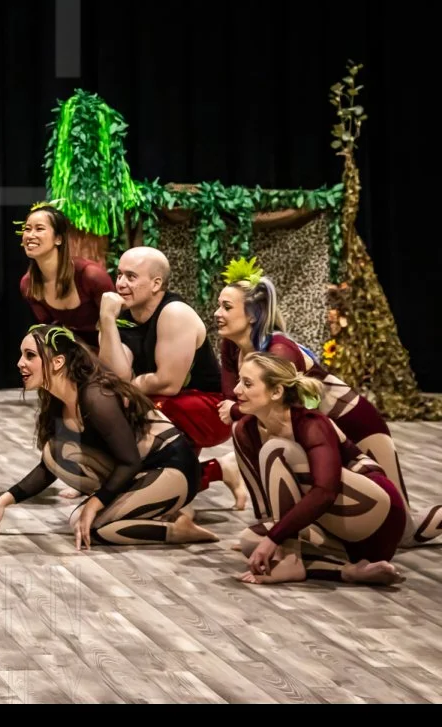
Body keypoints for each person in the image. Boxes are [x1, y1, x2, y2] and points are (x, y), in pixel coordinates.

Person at [213, 257, 437, 545]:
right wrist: (235, 409)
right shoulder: (232, 346)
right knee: (244, 430)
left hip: (355, 424)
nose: (217, 313)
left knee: (404, 531)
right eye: (219, 305)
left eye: (226, 307)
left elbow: (247, 406)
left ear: (253, 316)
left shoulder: (280, 351)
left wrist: (235, 409)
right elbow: (234, 402)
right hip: (317, 428)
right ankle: (270, 522)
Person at [0, 324, 218, 548]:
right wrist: (2, 502)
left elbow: (129, 460)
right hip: (141, 469)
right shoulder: (59, 401)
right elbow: (49, 467)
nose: (20, 363)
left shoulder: (96, 395)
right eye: (22, 355)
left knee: (94, 529)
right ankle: (151, 509)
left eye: (30, 356)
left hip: (173, 468)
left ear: (57, 362)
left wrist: (94, 503)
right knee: (59, 463)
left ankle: (178, 529)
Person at [230, 352, 406, 587]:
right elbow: (266, 511)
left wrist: (274, 538)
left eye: (247, 383)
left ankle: (291, 560)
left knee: (276, 449)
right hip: (333, 533)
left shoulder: (311, 423)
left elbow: (325, 491)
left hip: (375, 517)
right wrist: (267, 537)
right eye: (239, 381)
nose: (236, 390)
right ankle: (347, 571)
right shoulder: (245, 430)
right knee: (249, 541)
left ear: (276, 392)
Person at [96, 245, 246, 502]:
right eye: (119, 274)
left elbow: (167, 383)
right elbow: (115, 376)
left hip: (211, 409)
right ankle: (219, 470)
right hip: (168, 402)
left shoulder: (174, 313)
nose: (120, 284)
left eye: (131, 277)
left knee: (138, 410)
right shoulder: (124, 317)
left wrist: (126, 390)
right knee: (108, 406)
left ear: (156, 284)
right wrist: (107, 320)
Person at [17, 201, 114, 348]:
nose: (30, 235)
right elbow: (50, 332)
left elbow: (118, 323)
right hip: (71, 352)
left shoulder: (90, 275)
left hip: (108, 346)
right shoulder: (28, 284)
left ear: (58, 239)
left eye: (39, 229)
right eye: (27, 229)